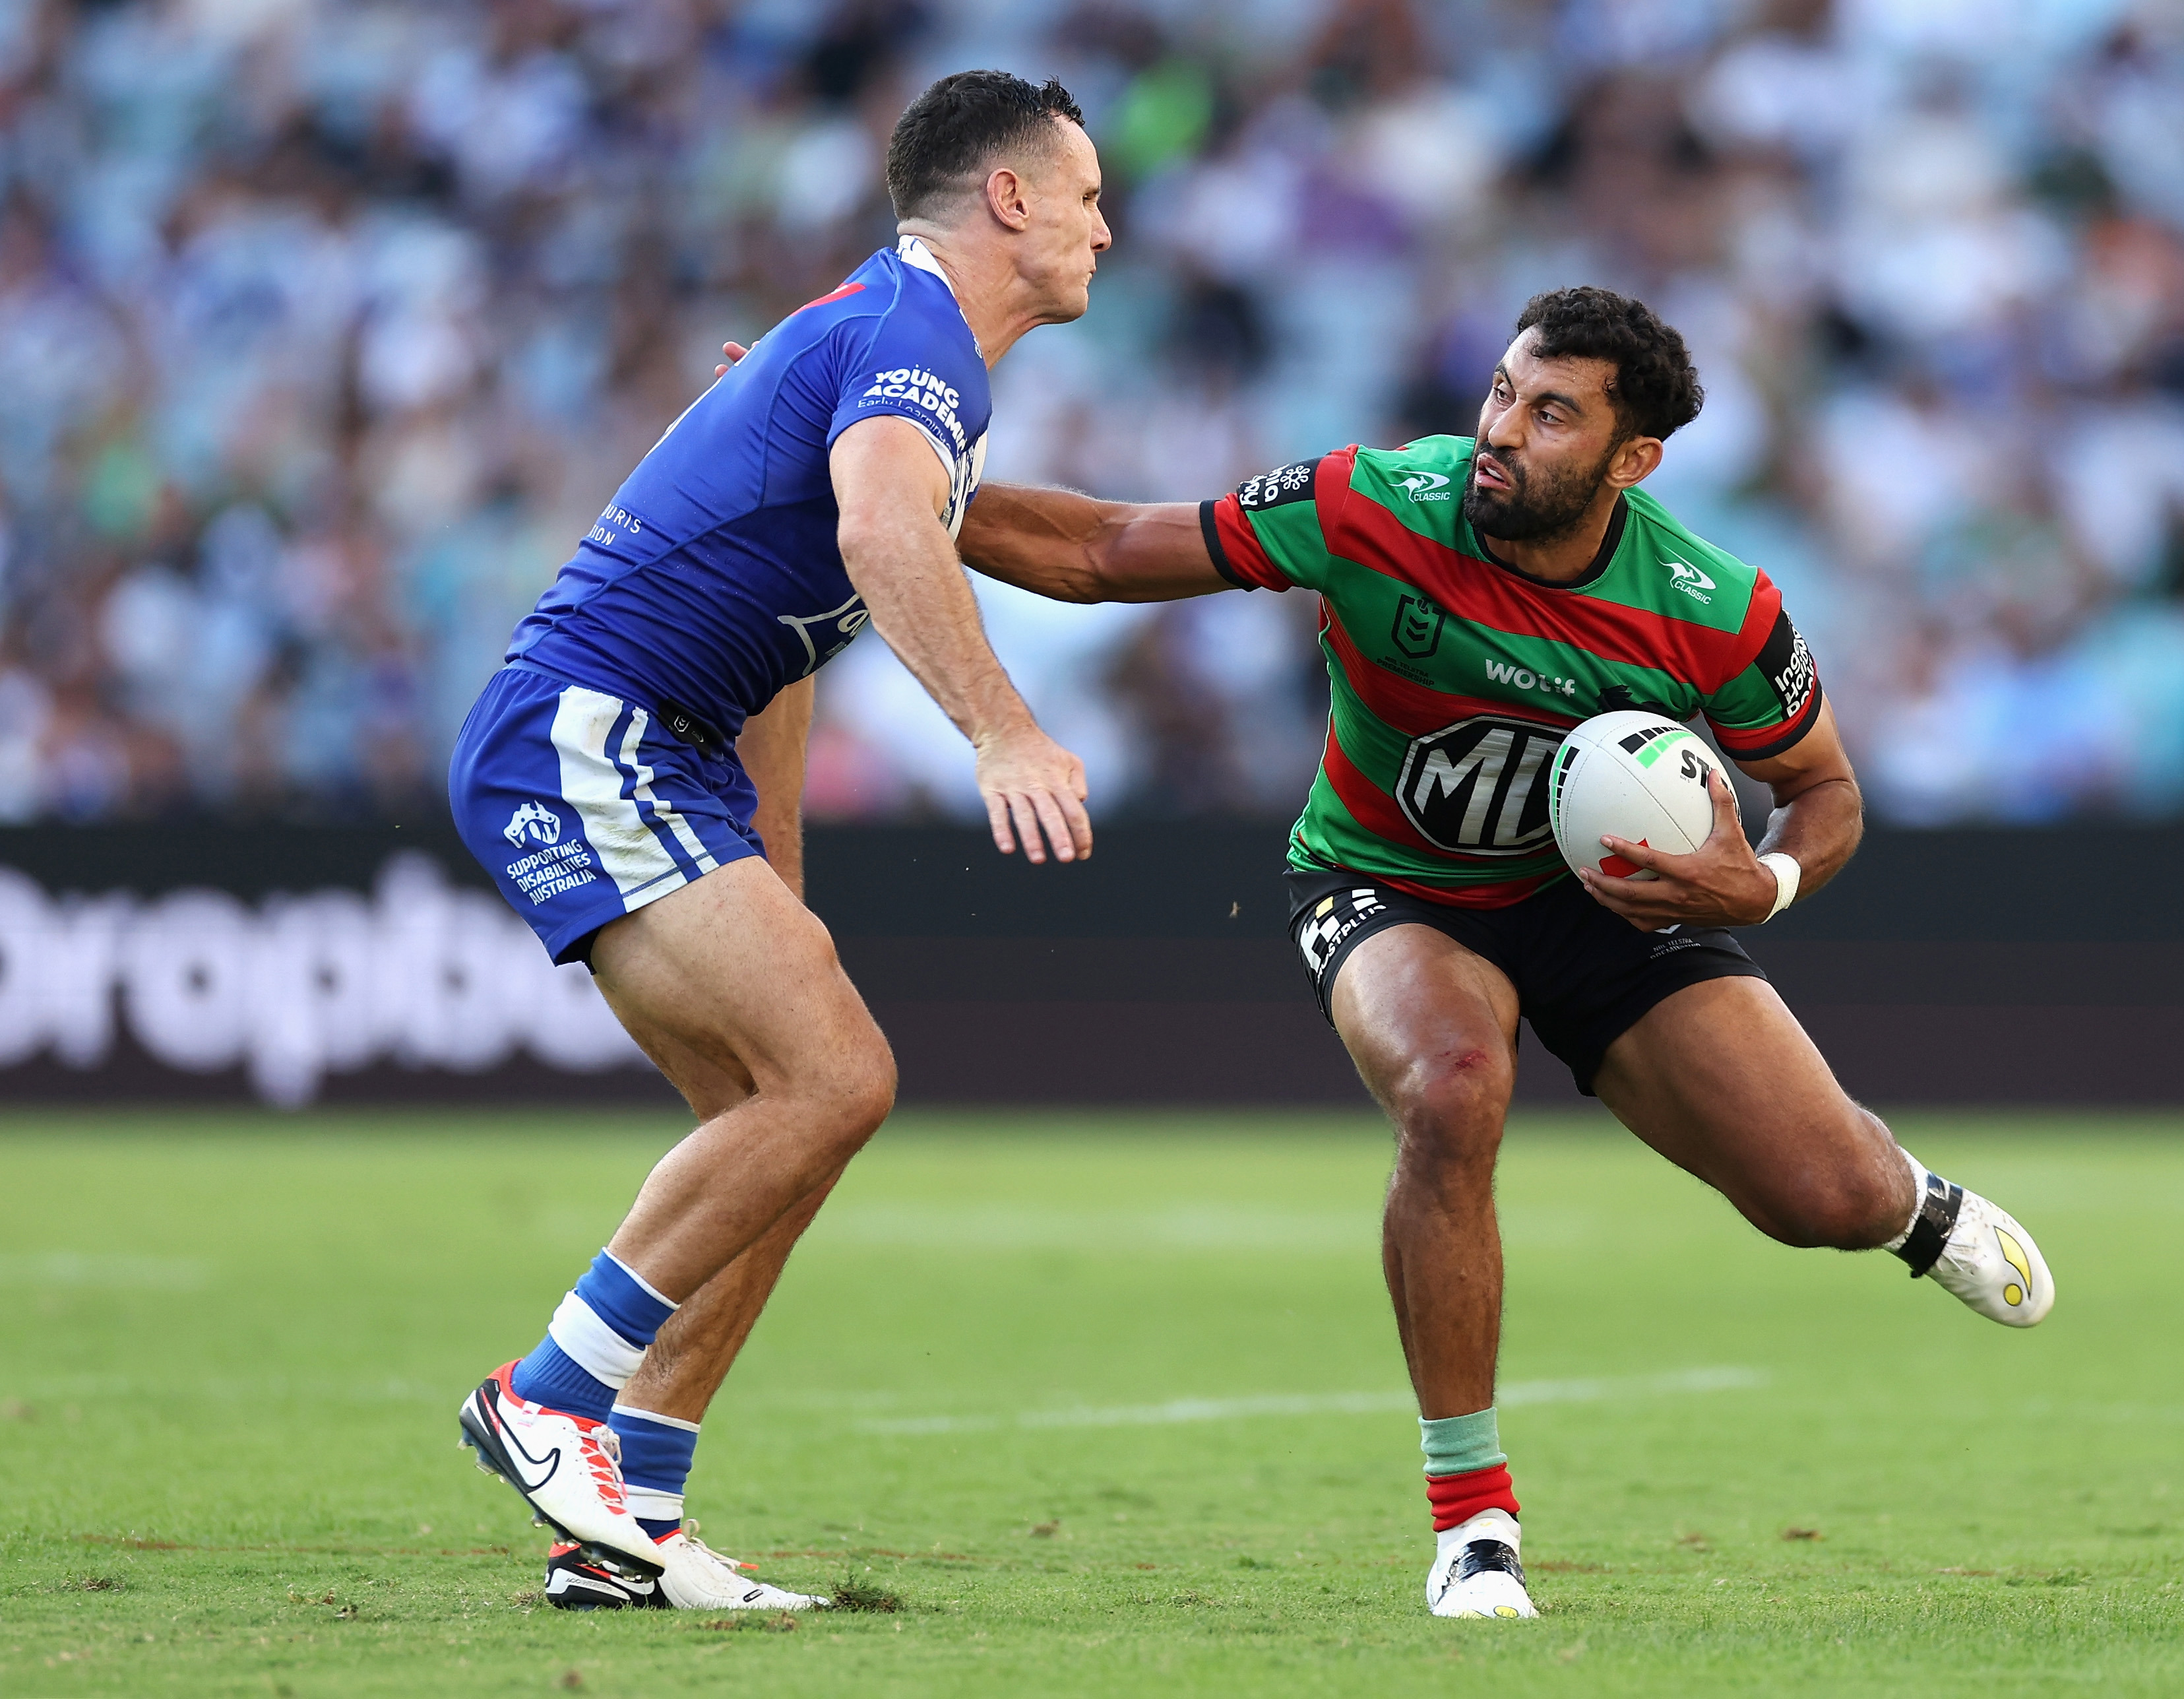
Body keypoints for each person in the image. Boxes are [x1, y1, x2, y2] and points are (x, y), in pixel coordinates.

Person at [954, 287, 2056, 1620]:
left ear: (1630, 459)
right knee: (1453, 1086)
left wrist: (1756, 877)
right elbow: (1111, 546)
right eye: (1501, 393)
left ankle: (1912, 1202)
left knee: (1823, 1195)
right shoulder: (1375, 503)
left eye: (1550, 415)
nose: (1501, 431)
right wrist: (898, 486)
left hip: (1610, 909)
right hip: (1386, 882)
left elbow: (1828, 793)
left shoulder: (1715, 605)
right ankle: (1474, 1521)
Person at [444, 69, 1109, 1611]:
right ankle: (548, 1397)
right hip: (591, 733)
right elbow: (881, 542)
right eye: (1083, 194)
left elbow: (789, 639)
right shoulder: (914, 340)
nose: (1105, 225)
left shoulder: (879, 335)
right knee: (839, 1079)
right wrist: (1004, 730)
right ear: (1006, 199)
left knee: (786, 1122)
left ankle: (630, 1531)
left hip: (643, 751)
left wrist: (780, 899)